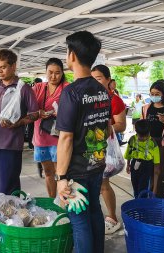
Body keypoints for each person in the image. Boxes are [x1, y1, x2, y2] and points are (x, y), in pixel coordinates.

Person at [56, 31, 110, 253]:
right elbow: (105, 130)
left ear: (72, 55)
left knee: (79, 220)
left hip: (76, 171)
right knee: (94, 211)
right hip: (96, 164)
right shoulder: (102, 90)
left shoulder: (72, 92)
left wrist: (61, 178)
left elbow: (66, 138)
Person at [0, 49, 39, 229]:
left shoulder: (23, 88)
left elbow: (34, 114)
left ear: (13, 66)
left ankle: (13, 218)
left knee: (9, 183)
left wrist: (17, 123)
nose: (0, 71)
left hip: (11, 144)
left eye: (4, 67)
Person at [91, 64, 126, 234]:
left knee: (103, 184)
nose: (95, 82)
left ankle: (112, 218)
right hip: (91, 147)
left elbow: (121, 125)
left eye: (98, 78)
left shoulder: (114, 100)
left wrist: (103, 129)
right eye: (92, 79)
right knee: (94, 185)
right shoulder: (91, 98)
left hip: (104, 148)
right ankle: (99, 216)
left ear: (108, 80)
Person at [33, 58, 68, 198]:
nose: (53, 76)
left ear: (62, 73)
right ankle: (52, 202)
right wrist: (37, 112)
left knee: (61, 174)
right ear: (45, 72)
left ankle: (63, 204)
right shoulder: (38, 88)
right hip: (40, 137)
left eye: (57, 73)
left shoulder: (67, 88)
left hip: (59, 138)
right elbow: (27, 107)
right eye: (50, 72)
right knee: (47, 172)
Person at [141, 81, 164, 198]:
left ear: (163, 94)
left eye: (157, 93)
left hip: (163, 144)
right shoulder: (146, 108)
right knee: (149, 170)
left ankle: (158, 197)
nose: (154, 96)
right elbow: (142, 125)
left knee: (160, 171)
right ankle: (150, 195)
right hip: (148, 143)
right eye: (152, 93)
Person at [124, 120, 160, 198]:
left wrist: (155, 187)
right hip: (134, 165)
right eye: (140, 136)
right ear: (136, 131)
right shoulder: (132, 139)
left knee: (143, 191)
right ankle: (137, 203)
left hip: (147, 167)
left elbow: (156, 167)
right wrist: (128, 165)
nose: (143, 138)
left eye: (145, 136)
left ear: (149, 132)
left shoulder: (153, 143)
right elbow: (129, 153)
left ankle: (142, 206)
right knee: (135, 188)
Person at [30, 77, 43, 178]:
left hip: (42, 131)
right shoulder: (32, 92)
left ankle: (40, 171)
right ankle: (40, 171)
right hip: (38, 133)